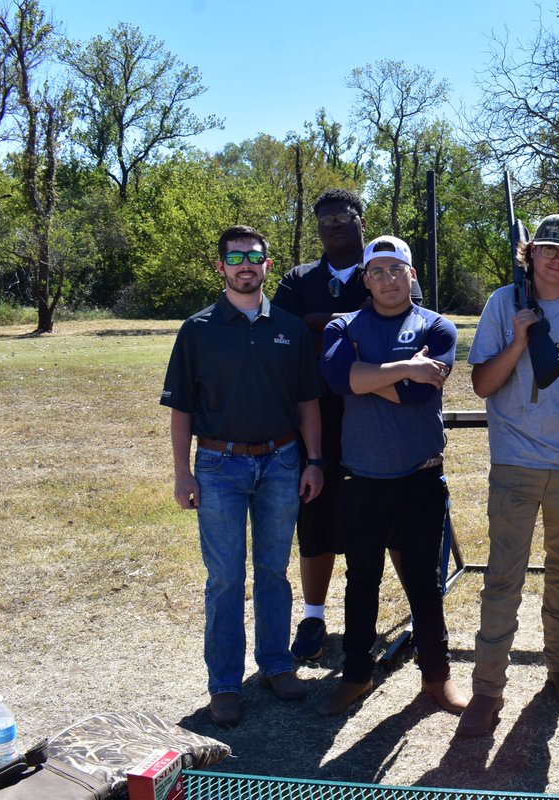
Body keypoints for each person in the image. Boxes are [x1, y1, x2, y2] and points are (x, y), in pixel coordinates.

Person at [457, 214, 559, 737]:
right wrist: (520, 340)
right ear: (530, 254)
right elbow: (482, 384)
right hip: (515, 465)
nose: (556, 259)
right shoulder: (505, 304)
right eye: (547, 249)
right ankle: (487, 689)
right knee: (503, 578)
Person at [161, 225, 324, 727]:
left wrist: (314, 460)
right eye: (235, 257)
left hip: (281, 463)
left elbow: (307, 402)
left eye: (254, 256)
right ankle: (225, 685)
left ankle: (277, 666)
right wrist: (182, 473)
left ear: (267, 265)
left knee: (273, 572)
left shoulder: (291, 328)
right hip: (219, 467)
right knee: (226, 577)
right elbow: (182, 408)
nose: (245, 265)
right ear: (221, 267)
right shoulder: (198, 329)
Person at [316, 235, 466, 716]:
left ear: (411, 275)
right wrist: (404, 368)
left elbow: (419, 396)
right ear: (365, 279)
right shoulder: (343, 325)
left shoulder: (438, 327)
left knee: (424, 583)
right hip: (361, 480)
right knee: (362, 580)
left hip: (421, 478)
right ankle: (356, 675)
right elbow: (339, 380)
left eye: (395, 269)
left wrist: (367, 374)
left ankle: (437, 678)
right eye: (376, 272)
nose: (386, 279)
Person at [272, 189, 384, 661]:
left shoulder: (384, 264)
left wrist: (322, 323)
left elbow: (403, 323)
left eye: (343, 217)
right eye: (325, 221)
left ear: (361, 220)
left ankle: (410, 619)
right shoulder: (299, 279)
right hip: (313, 423)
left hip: (380, 418)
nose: (334, 226)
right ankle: (314, 617)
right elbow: (284, 330)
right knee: (314, 521)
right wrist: (354, 321)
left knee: (384, 521)